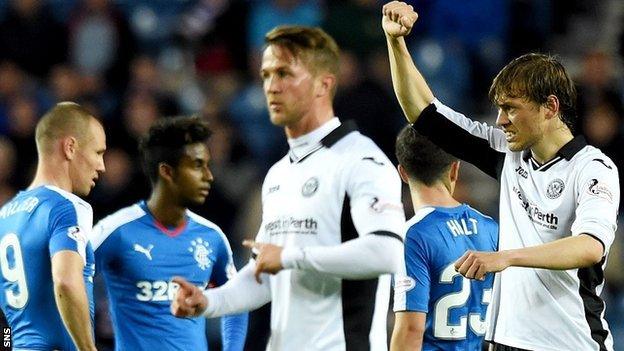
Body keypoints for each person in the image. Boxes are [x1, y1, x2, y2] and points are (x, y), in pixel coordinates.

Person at [382, 2, 620, 350]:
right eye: (499, 108)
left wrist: (506, 257)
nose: (500, 120)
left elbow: (589, 247)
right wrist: (396, 44)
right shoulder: (507, 152)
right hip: (504, 341)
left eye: (511, 108)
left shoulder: (593, 169)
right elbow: (423, 112)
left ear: (550, 107)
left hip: (569, 342)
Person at [171, 25, 405, 351]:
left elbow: (387, 252)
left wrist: (292, 256)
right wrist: (208, 302)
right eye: (266, 74)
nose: (271, 86)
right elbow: (264, 274)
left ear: (324, 84)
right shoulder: (279, 175)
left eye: (284, 73)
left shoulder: (361, 159)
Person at [90, 116, 248, 351]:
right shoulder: (115, 231)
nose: (209, 175)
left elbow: (236, 302)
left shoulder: (212, 237)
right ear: (167, 171)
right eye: (197, 165)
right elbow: (65, 283)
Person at [0, 102, 105, 350]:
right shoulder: (66, 207)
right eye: (98, 153)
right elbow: (66, 281)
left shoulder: (5, 215)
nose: (101, 166)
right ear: (70, 148)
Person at [391, 126, 498, 350]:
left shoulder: (414, 234)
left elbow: (411, 328)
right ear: (454, 170)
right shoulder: (491, 228)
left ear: (403, 173)